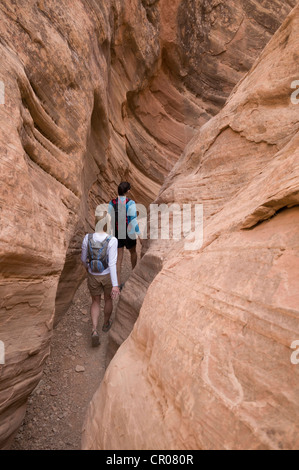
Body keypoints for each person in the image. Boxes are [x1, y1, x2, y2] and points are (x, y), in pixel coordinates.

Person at [81, 208, 120, 347]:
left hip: (93, 275)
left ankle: (94, 330)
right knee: (108, 298)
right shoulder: (112, 240)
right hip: (107, 275)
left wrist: (88, 269)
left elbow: (83, 258)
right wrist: (115, 285)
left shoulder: (88, 238)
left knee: (95, 301)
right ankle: (105, 324)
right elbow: (112, 264)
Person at [108, 182, 142, 288]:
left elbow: (109, 220)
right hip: (129, 233)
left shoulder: (112, 203)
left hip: (117, 233)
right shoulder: (130, 203)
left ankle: (116, 284)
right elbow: (133, 220)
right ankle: (134, 275)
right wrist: (139, 234)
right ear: (128, 191)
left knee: (118, 259)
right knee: (133, 252)